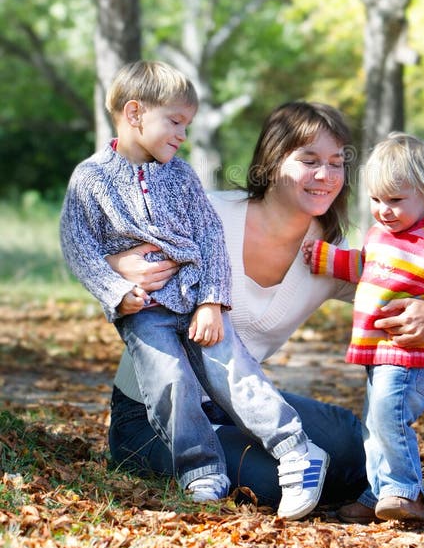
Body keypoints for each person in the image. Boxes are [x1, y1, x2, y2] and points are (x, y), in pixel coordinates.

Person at [106, 103, 424, 522]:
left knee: (350, 439)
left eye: (336, 163)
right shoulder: (209, 214)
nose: (325, 176)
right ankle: (344, 477)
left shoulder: (326, 255)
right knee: (267, 483)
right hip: (152, 415)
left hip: (243, 407)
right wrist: (123, 265)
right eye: (309, 160)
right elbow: (109, 249)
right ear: (272, 161)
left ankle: (386, 485)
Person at [60, 62, 329, 520]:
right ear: (135, 113)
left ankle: (298, 451)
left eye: (187, 123)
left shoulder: (181, 176)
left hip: (194, 295)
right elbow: (77, 244)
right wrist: (116, 290)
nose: (182, 134)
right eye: (175, 121)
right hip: (144, 311)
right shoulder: (91, 179)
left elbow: (209, 241)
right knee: (170, 382)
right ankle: (200, 470)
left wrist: (211, 301)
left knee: (237, 375)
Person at [303, 132, 424, 523]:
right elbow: (365, 268)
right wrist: (325, 258)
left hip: (410, 354)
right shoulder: (381, 236)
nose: (384, 210)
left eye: (396, 201)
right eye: (377, 200)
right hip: (380, 353)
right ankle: (377, 491)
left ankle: (405, 490)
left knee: (390, 417)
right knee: (374, 422)